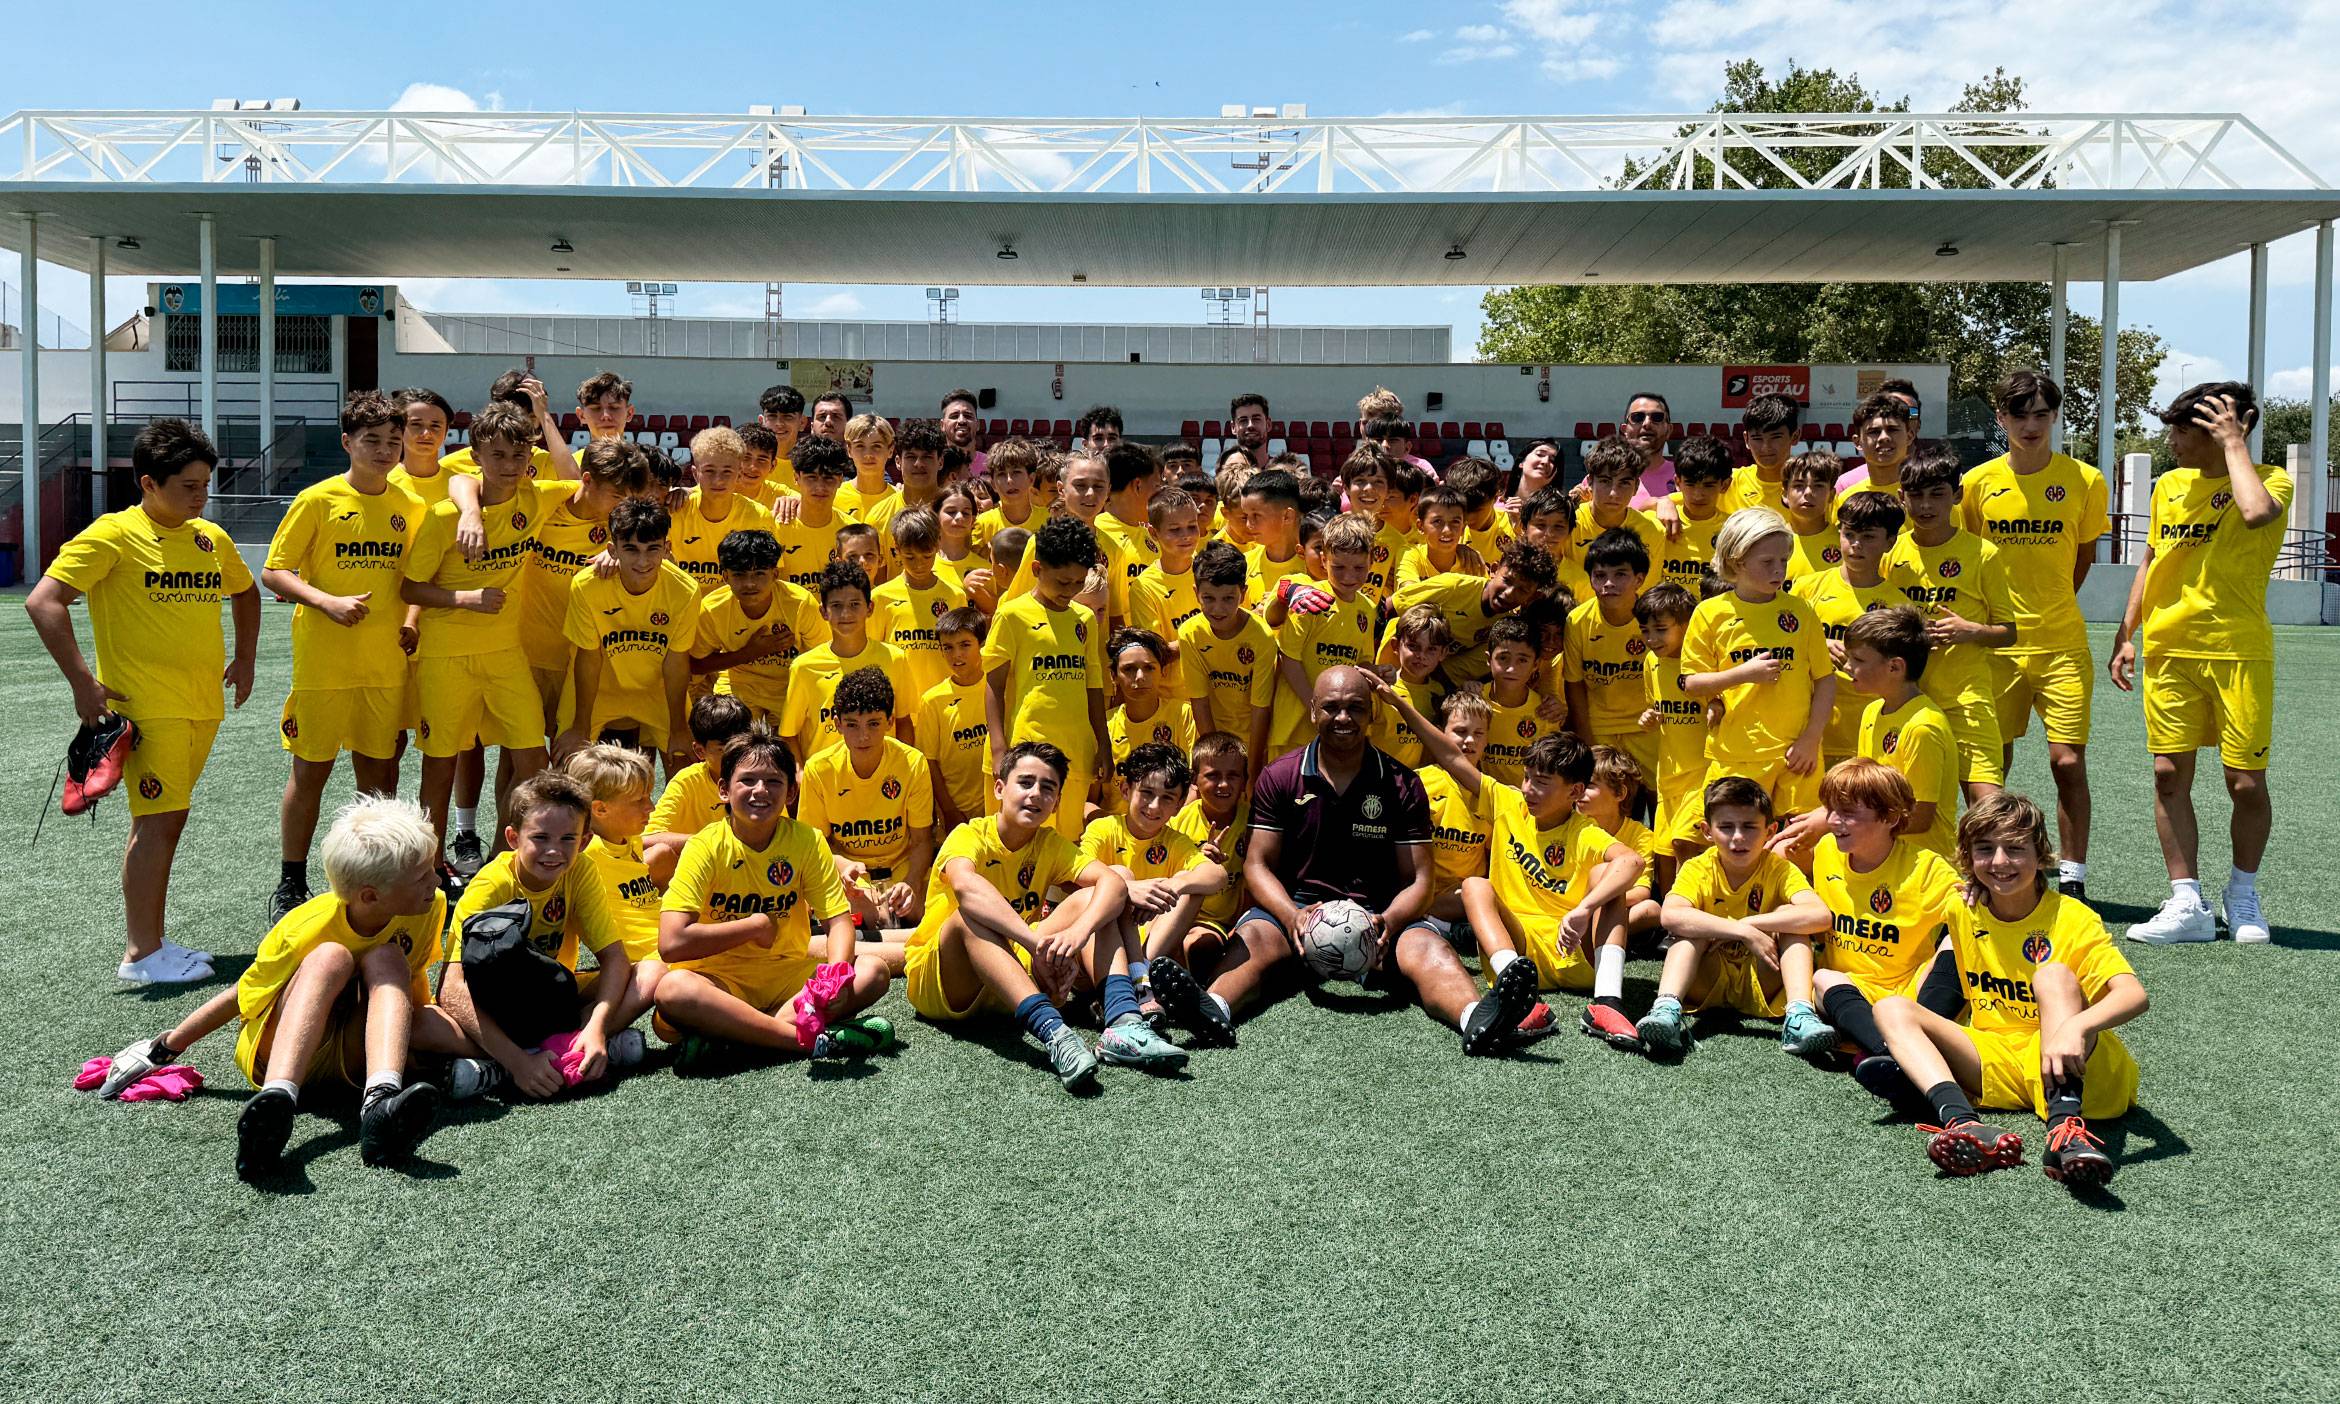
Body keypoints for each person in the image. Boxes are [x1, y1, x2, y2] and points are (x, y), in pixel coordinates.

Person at [1150, 667, 1543, 1056]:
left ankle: (1477, 1018)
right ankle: (1212, 1010)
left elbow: (1421, 879)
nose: (1343, 717)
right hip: (1297, 911)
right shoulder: (1280, 776)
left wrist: (1389, 920)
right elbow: (1257, 865)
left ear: (1371, 713)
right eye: (1332, 707)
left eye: (1355, 707)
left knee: (1430, 950)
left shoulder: (1402, 783)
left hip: (1381, 914)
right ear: (1312, 710)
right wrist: (1291, 917)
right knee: (1253, 939)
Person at [28, 418, 259, 983]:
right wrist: (83, 683)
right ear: (149, 483)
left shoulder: (209, 538)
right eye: (188, 486)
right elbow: (44, 601)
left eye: (206, 485)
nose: (201, 496)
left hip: (202, 704)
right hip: (147, 707)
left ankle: (153, 943)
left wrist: (246, 657)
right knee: (157, 822)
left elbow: (247, 591)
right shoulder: (112, 534)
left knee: (168, 820)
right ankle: (142, 954)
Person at [1874, 793, 2144, 1185]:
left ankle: (2065, 1130)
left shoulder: (2073, 917)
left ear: (2041, 854)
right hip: (1997, 1063)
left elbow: (2134, 995)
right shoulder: (1963, 908)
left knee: (2052, 976)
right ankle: (1964, 1123)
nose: (2000, 862)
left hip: (2078, 1071)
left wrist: (2078, 1026)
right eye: (1985, 849)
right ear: (1968, 857)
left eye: (2015, 849)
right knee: (1891, 1008)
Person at [2112, 382, 2291, 945]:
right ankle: (2186, 900)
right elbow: (2151, 559)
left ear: (2224, 430)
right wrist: (2126, 632)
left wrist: (2235, 444)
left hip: (2237, 651)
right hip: (2170, 650)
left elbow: (2256, 513)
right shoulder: (2169, 485)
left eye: (2183, 430)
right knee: (2168, 775)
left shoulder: (2270, 480)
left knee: (2245, 783)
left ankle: (2243, 894)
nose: (2171, 441)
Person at [903, 742, 1167, 1090]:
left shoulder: (1049, 843)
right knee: (968, 917)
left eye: (1047, 787)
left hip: (1012, 975)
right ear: (1000, 788)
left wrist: (1078, 934)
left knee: (1099, 896)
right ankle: (1056, 1033)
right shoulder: (969, 835)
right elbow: (966, 888)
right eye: (1025, 783)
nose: (1035, 794)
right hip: (945, 982)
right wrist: (1035, 944)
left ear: (1056, 802)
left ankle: (1124, 1023)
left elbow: (1113, 884)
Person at [228, 796, 466, 1179]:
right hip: (277, 1054)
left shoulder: (429, 906)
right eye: (422, 876)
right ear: (371, 895)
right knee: (331, 958)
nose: (436, 881)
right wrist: (165, 1047)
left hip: (349, 1065)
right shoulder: (306, 924)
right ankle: (279, 1096)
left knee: (387, 959)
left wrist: (516, 1056)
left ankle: (380, 1102)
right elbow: (241, 994)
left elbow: (410, 996)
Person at [1394, 687, 1647, 1048]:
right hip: (1520, 952)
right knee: (1476, 885)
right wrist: (1398, 703)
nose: (1528, 789)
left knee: (1606, 876)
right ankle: (1513, 987)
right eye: (1527, 777)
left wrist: (1583, 910)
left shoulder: (1584, 831)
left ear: (1575, 792)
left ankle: (1607, 1002)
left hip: (1576, 953)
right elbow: (1450, 756)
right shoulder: (1507, 802)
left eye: (1541, 783)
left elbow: (1632, 861)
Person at [260, 390, 423, 922]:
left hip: (384, 664)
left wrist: (411, 621)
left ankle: (374, 875)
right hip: (324, 666)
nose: (385, 450)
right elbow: (274, 571)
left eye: (393, 441)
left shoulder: (410, 506)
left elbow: (416, 579)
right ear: (348, 442)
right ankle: (291, 880)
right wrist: (325, 601)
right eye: (372, 440)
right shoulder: (318, 500)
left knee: (380, 776)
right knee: (310, 772)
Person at [655, 728, 895, 1069]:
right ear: (724, 789)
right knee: (673, 990)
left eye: (773, 781)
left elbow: (838, 921)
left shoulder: (806, 840)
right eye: (747, 780)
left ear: (791, 792)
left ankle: (738, 1038)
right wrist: (752, 926)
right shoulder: (703, 846)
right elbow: (671, 943)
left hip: (786, 976)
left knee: (873, 970)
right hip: (718, 983)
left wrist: (836, 973)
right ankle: (807, 1041)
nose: (760, 790)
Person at [1963, 371, 2108, 894]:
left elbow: (2082, 558)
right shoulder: (1977, 483)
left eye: (2041, 414)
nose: (2031, 425)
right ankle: (1993, 868)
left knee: (2067, 761)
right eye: (2019, 415)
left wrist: (2049, 603)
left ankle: (2072, 876)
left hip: (2061, 643)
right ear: (2001, 418)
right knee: (1990, 766)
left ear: (2055, 417)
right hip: (1996, 647)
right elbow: (1971, 556)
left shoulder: (2086, 480)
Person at [400, 400, 550, 879]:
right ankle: (430, 870)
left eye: (519, 454)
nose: (510, 465)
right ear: (477, 456)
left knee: (534, 759)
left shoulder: (535, 498)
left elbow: (589, 488)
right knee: (440, 765)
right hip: (446, 658)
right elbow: (410, 588)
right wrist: (464, 598)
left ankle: (506, 864)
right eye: (498, 455)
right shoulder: (445, 516)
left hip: (506, 656)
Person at [440, 774, 650, 1100]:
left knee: (651, 973)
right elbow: (451, 989)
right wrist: (518, 1062)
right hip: (496, 1011)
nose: (554, 850)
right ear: (513, 838)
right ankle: (543, 1058)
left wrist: (596, 1028)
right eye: (540, 837)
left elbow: (614, 958)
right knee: (422, 1024)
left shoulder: (581, 869)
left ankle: (571, 1047)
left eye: (568, 839)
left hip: (556, 1002)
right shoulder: (491, 886)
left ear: (584, 842)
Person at [1805, 759, 1968, 1106]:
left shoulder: (1926, 868)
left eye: (1848, 813)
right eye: (1831, 810)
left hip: (1911, 996)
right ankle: (1902, 1057)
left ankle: (1901, 1057)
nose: (1833, 821)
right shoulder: (1825, 852)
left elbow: (1976, 915)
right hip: (1853, 990)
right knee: (1823, 978)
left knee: (1958, 944)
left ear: (1891, 817)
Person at [1636, 776, 1836, 1057]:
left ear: (1770, 830)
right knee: (1691, 928)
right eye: (1726, 827)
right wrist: (1741, 932)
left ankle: (1800, 1015)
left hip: (1763, 975)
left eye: (1750, 827)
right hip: (1706, 978)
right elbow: (1670, 915)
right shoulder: (1698, 868)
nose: (1738, 837)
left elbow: (1820, 915)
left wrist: (1749, 924)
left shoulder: (1780, 869)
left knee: (1791, 918)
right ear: (1707, 831)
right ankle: (1666, 1010)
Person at [1670, 508, 1833, 852]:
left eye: (1784, 560)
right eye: (1767, 562)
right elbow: (1691, 683)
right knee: (1727, 847)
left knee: (1799, 849)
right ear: (1737, 561)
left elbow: (1824, 680)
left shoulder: (1801, 611)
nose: (1779, 570)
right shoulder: (1711, 613)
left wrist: (1811, 737)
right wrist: (1743, 674)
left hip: (1795, 753)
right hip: (1736, 753)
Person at [1886, 445, 2014, 796]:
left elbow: (2009, 632)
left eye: (1937, 494)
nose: (1926, 505)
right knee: (1903, 802)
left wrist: (1971, 631)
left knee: (1987, 803)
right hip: (1905, 698)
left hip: (1966, 697)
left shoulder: (1983, 553)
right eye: (1916, 495)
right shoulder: (1890, 553)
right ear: (1901, 497)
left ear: (1957, 495)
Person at [986, 516, 1113, 837]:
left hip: (1076, 752)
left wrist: (1103, 743)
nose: (1070, 591)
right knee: (1019, 840)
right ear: (1037, 569)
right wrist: (999, 750)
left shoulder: (1085, 619)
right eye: (1062, 582)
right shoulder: (1012, 614)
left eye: (1078, 582)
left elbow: (1093, 685)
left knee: (1066, 841)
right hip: (1026, 750)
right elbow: (994, 685)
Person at [554, 496, 699, 775]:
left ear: (667, 548)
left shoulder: (685, 590)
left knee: (686, 766)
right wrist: (580, 727)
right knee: (567, 767)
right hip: (598, 691)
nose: (643, 561)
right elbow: (589, 658)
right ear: (613, 549)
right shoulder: (586, 585)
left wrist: (679, 728)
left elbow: (676, 662)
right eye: (631, 549)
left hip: (656, 691)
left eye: (652, 549)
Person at [798, 666, 935, 946]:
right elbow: (814, 846)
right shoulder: (819, 769)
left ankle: (867, 940)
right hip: (851, 873)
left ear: (890, 721)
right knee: (870, 914)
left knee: (925, 910)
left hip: (901, 869)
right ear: (837, 723)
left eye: (873, 724)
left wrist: (910, 883)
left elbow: (922, 841)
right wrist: (845, 867)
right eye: (852, 725)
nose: (863, 737)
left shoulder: (912, 763)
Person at [1083, 741, 1228, 1001]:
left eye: (1167, 798)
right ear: (1126, 789)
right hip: (1102, 945)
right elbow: (1076, 875)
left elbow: (1217, 875)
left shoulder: (1175, 841)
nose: (1154, 806)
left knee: (1190, 882)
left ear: (1179, 804)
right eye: (1147, 793)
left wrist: (1174, 885)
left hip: (1149, 942)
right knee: (1117, 874)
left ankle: (1143, 974)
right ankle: (1135, 982)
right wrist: (1128, 890)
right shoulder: (1103, 829)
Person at [1792, 490, 1919, 772]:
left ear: (1890, 541)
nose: (1856, 545)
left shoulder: (1899, 606)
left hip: (1866, 736)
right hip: (1809, 734)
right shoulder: (1806, 589)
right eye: (1849, 534)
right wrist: (1818, 644)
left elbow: (1904, 678)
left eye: (1868, 537)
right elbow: (1779, 646)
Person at [1266, 512, 1378, 759]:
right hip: (1295, 726)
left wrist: (1378, 673)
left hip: (1338, 729)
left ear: (1371, 561)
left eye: (1359, 567)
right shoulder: (1310, 599)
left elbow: (1361, 662)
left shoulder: (1368, 609)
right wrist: (1315, 707)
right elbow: (1288, 658)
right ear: (1324, 560)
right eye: (1339, 567)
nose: (1349, 576)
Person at [778, 559, 912, 762]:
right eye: (836, 606)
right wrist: (800, 773)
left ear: (870, 608)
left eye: (854, 604)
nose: (846, 613)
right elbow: (789, 735)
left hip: (882, 776)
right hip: (825, 777)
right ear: (823, 611)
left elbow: (903, 722)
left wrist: (901, 768)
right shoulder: (804, 667)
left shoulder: (894, 659)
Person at [565, 742, 669, 1003]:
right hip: (643, 964)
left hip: (665, 946)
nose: (651, 807)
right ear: (600, 809)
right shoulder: (584, 853)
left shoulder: (628, 837)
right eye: (639, 800)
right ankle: (587, 1023)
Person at [689, 527, 826, 724]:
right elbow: (696, 664)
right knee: (725, 725)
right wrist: (750, 653)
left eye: (759, 574)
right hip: (740, 684)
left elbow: (823, 657)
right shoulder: (712, 609)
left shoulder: (800, 603)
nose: (749, 584)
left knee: (793, 737)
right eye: (739, 575)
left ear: (775, 574)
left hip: (789, 685)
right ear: (725, 576)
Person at [1566, 527, 1657, 784]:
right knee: (1602, 795)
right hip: (1600, 726)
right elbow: (1574, 683)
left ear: (1639, 579)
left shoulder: (1655, 618)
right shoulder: (1577, 621)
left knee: (1655, 794)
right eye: (1600, 575)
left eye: (1620, 575)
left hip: (1647, 726)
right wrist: (1587, 738)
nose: (1609, 583)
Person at [1179, 541, 1277, 771]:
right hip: (1212, 736)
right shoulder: (1190, 634)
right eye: (1209, 598)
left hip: (1255, 741)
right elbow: (1200, 702)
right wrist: (1215, 760)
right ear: (1196, 593)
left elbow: (1260, 708)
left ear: (1243, 594)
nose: (1218, 609)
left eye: (1228, 599)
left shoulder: (1262, 637)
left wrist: (1252, 768)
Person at [643, 694, 754, 881]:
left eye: (742, 746)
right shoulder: (687, 781)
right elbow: (647, 840)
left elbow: (780, 834)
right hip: (699, 874)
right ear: (700, 751)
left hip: (750, 873)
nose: (735, 756)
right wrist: (712, 842)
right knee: (657, 855)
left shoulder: (761, 780)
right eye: (724, 749)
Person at [870, 506, 970, 701]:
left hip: (943, 703)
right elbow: (872, 655)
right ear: (896, 548)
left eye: (927, 556)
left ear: (938, 544)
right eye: (910, 557)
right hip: (899, 705)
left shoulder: (955, 596)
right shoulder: (880, 597)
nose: (919, 564)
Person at [1560, 437, 1667, 602]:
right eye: (1605, 481)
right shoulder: (1568, 524)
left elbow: (1645, 595)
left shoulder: (1653, 531)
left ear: (1636, 487)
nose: (1613, 493)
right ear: (1590, 482)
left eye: (1624, 483)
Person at [769, 434, 856, 593]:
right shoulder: (774, 528)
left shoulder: (852, 532)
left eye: (828, 478)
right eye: (811, 478)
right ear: (796, 477)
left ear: (840, 480)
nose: (820, 487)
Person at [1727, 393, 1802, 514]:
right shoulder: (1727, 484)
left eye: (1775, 437)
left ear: (1795, 437)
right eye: (1757, 438)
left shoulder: (1814, 489)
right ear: (1746, 439)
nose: (1766, 447)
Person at [1838, 393, 1914, 498]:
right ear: (1857, 442)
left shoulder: (1927, 494)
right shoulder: (1845, 497)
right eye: (1874, 432)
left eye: (1892, 430)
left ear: (1909, 437)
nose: (1884, 437)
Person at [1618, 392, 1678, 506]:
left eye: (1657, 417)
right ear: (1624, 430)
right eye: (1637, 417)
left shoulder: (1688, 477)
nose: (1647, 423)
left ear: (1669, 430)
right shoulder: (1603, 477)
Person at [757, 383, 809, 491]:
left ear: (802, 423)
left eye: (788, 417)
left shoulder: (812, 465)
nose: (779, 423)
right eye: (772, 416)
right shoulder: (749, 464)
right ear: (761, 422)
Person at [939, 387, 988, 476]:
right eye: (954, 416)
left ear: (978, 425)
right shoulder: (933, 466)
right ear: (942, 425)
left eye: (968, 416)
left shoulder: (992, 465)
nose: (961, 421)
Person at [1229, 392, 1273, 462]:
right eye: (1243, 420)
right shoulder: (1221, 469)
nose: (1250, 425)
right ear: (1233, 427)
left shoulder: (1284, 469)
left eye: (1256, 419)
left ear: (1268, 424)